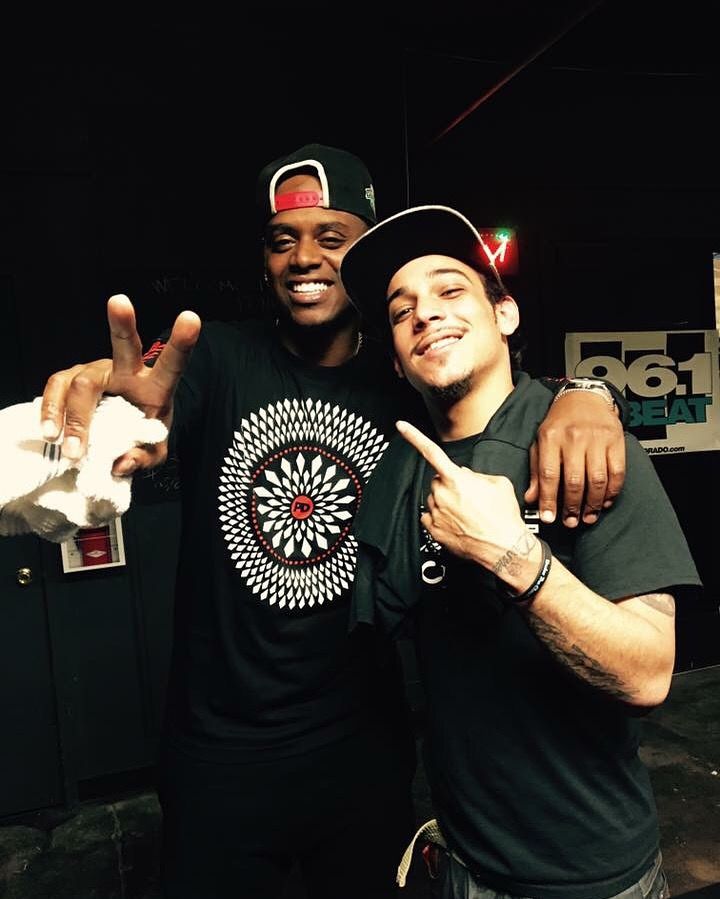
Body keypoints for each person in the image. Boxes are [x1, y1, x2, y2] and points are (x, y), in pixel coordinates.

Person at [38, 149, 628, 899]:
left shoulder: (403, 376)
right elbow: (152, 397)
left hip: (362, 745)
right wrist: (117, 414)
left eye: (331, 236)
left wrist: (589, 392)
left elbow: (500, 389)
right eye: (282, 241)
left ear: (364, 254)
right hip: (220, 752)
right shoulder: (217, 356)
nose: (304, 258)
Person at [340, 204, 703, 899]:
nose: (424, 314)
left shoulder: (587, 447)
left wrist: (513, 555)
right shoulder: (400, 470)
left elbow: (648, 674)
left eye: (450, 290)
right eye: (401, 310)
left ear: (504, 314)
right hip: (464, 863)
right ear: (396, 357)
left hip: (589, 876)